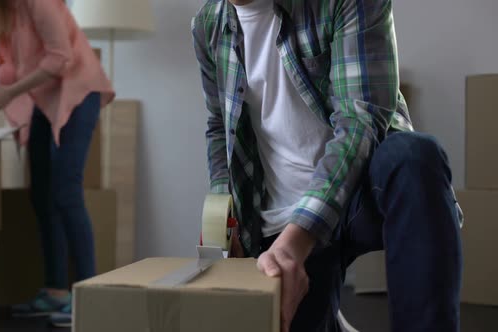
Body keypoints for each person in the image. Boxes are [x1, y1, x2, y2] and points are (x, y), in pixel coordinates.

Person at [192, 0, 463, 331]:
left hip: (361, 192)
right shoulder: (207, 25)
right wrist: (223, 214)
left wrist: (298, 238)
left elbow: (360, 119)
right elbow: (219, 125)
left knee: (416, 156)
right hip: (279, 219)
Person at [0, 0, 114, 327]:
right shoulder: (4, 13)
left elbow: (60, 58)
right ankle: (57, 290)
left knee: (65, 192)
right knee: (41, 194)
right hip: (45, 100)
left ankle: (89, 295)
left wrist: (8, 92)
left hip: (77, 91)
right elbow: (16, 72)